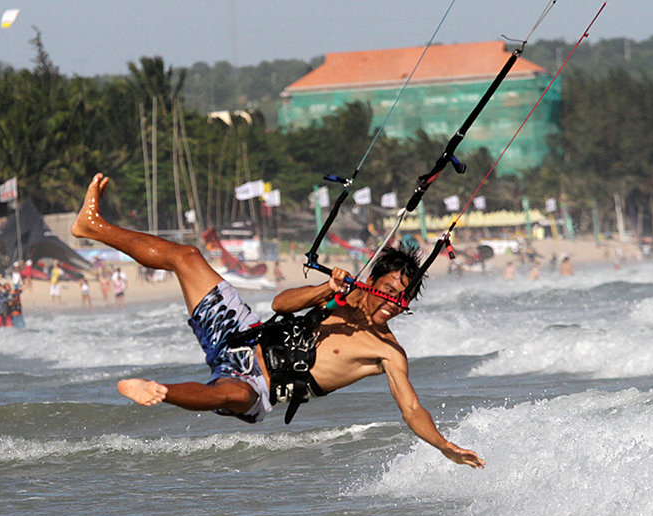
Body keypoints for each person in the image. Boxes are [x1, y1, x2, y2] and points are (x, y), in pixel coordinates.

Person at [70, 173, 483, 469]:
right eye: (390, 290)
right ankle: (93, 226)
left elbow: (411, 408)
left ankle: (159, 390)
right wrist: (326, 290)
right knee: (188, 258)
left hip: (259, 386)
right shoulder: (342, 298)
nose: (393, 302)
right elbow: (281, 303)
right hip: (243, 333)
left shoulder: (387, 352)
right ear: (374, 280)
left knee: (229, 395)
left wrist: (444, 445)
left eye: (403, 298)